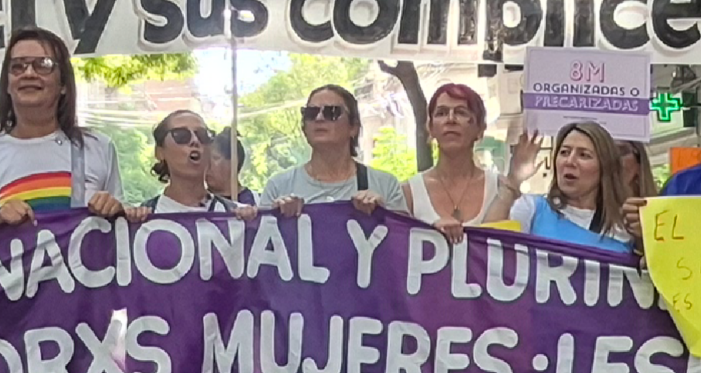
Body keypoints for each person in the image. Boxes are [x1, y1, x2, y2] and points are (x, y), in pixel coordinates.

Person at [0, 29, 125, 222]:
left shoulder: (97, 147)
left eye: (43, 65)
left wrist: (115, 210)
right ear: (7, 84)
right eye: (17, 66)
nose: (29, 73)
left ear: (63, 84)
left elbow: (121, 232)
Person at [261, 85, 404, 216]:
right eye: (311, 113)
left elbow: (401, 239)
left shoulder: (386, 185)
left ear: (353, 127)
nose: (319, 118)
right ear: (304, 128)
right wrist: (275, 217)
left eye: (332, 112)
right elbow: (260, 241)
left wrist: (383, 215)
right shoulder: (278, 187)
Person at [406, 83, 514, 242]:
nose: (450, 120)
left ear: (480, 129)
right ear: (431, 128)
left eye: (461, 112)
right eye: (441, 113)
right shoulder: (408, 192)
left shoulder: (500, 188)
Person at [513, 122, 635, 256]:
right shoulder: (531, 209)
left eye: (583, 155)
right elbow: (491, 250)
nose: (569, 161)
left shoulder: (627, 226)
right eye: (564, 152)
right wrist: (512, 181)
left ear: (604, 167)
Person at [137, 111, 233, 217]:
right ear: (160, 152)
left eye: (202, 135)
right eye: (181, 135)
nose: (195, 141)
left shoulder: (237, 216)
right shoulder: (142, 218)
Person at [204, 124, 257, 208]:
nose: (206, 165)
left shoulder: (257, 201)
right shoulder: (200, 205)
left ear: (233, 162)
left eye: (215, 158)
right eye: (203, 159)